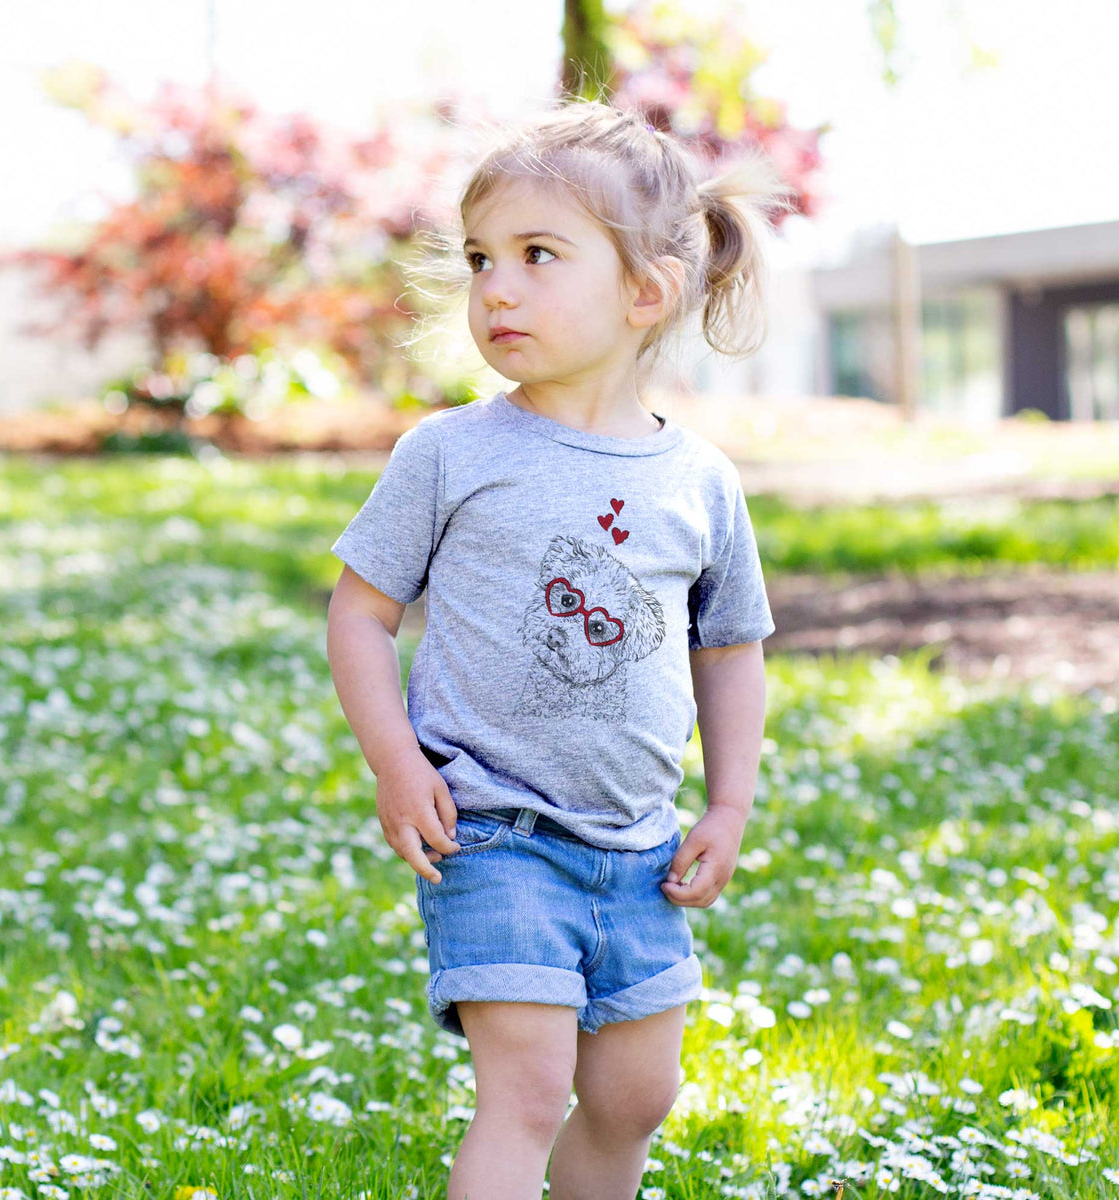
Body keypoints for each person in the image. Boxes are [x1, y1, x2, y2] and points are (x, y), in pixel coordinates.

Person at [326, 97, 792, 1200]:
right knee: (527, 1091)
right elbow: (360, 612)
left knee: (635, 1100)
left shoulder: (700, 482)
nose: (496, 286)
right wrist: (397, 760)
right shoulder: (450, 452)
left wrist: (728, 808)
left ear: (647, 291)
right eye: (482, 257)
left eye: (539, 255)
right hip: (492, 830)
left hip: (640, 852)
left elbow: (729, 651)